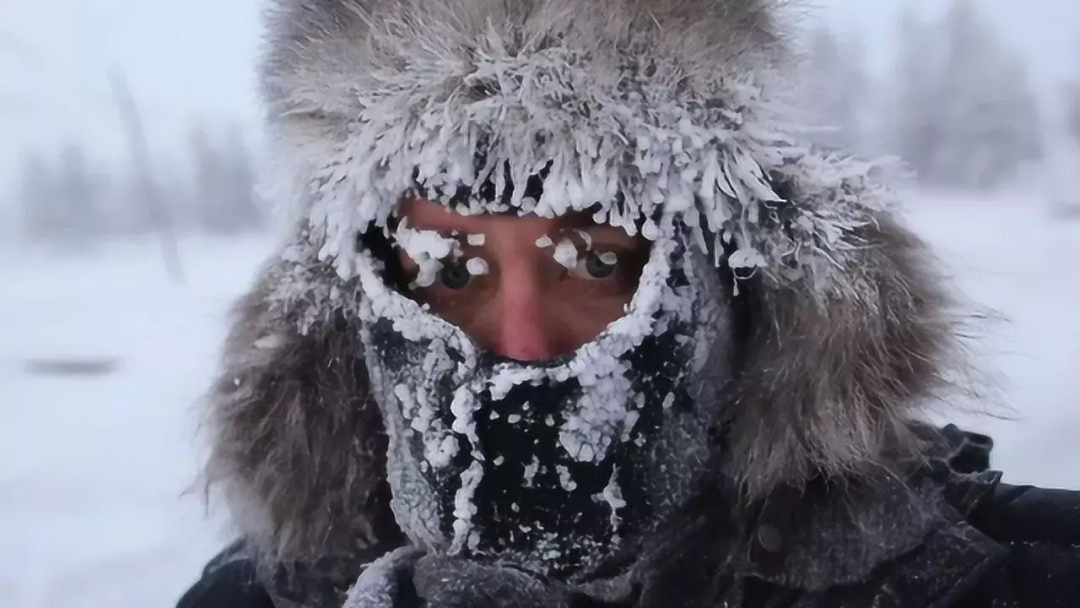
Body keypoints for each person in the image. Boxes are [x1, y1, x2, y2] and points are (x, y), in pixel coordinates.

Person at [177, 0, 1080, 606]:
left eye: (593, 261)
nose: (522, 346)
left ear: (726, 278)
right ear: (361, 306)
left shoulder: (990, 576)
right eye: (448, 272)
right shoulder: (263, 596)